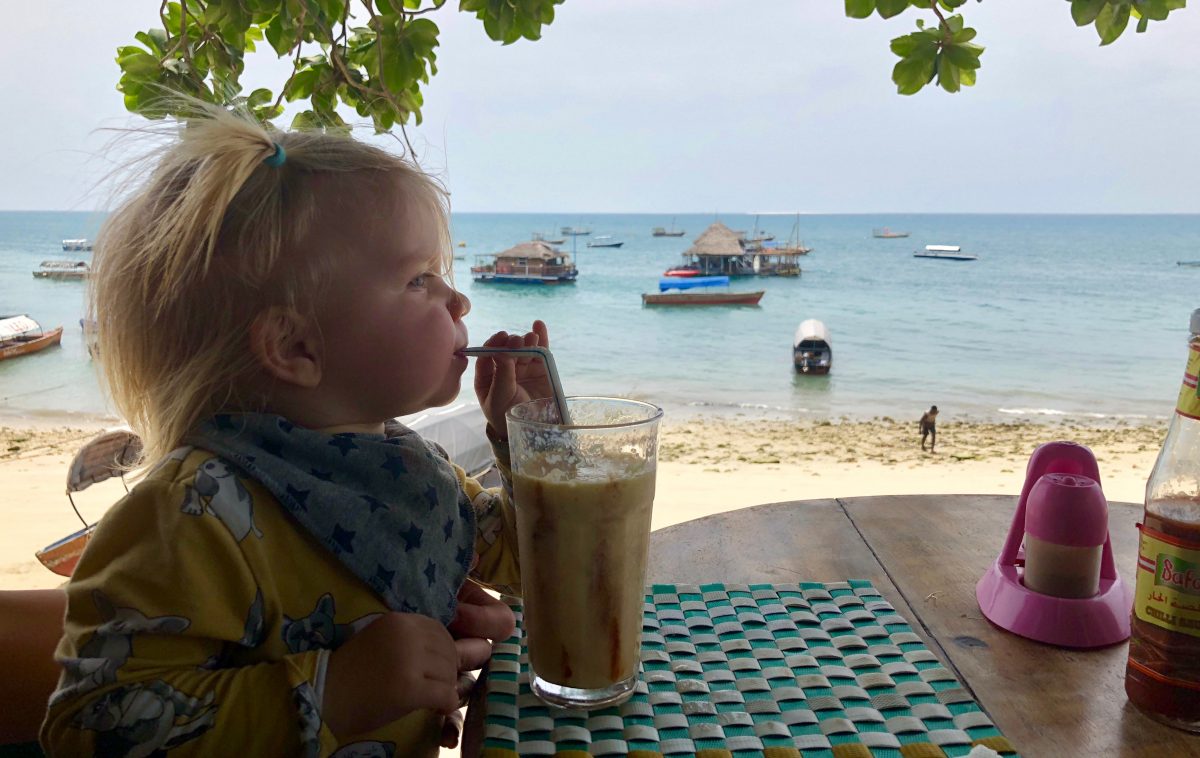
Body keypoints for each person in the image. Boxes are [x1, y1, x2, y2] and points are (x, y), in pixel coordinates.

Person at [41, 103, 548, 757]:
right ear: (295, 347)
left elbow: (532, 566)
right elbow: (87, 729)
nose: (459, 301)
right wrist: (330, 692)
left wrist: (531, 440)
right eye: (418, 279)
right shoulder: (190, 516)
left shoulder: (408, 472)